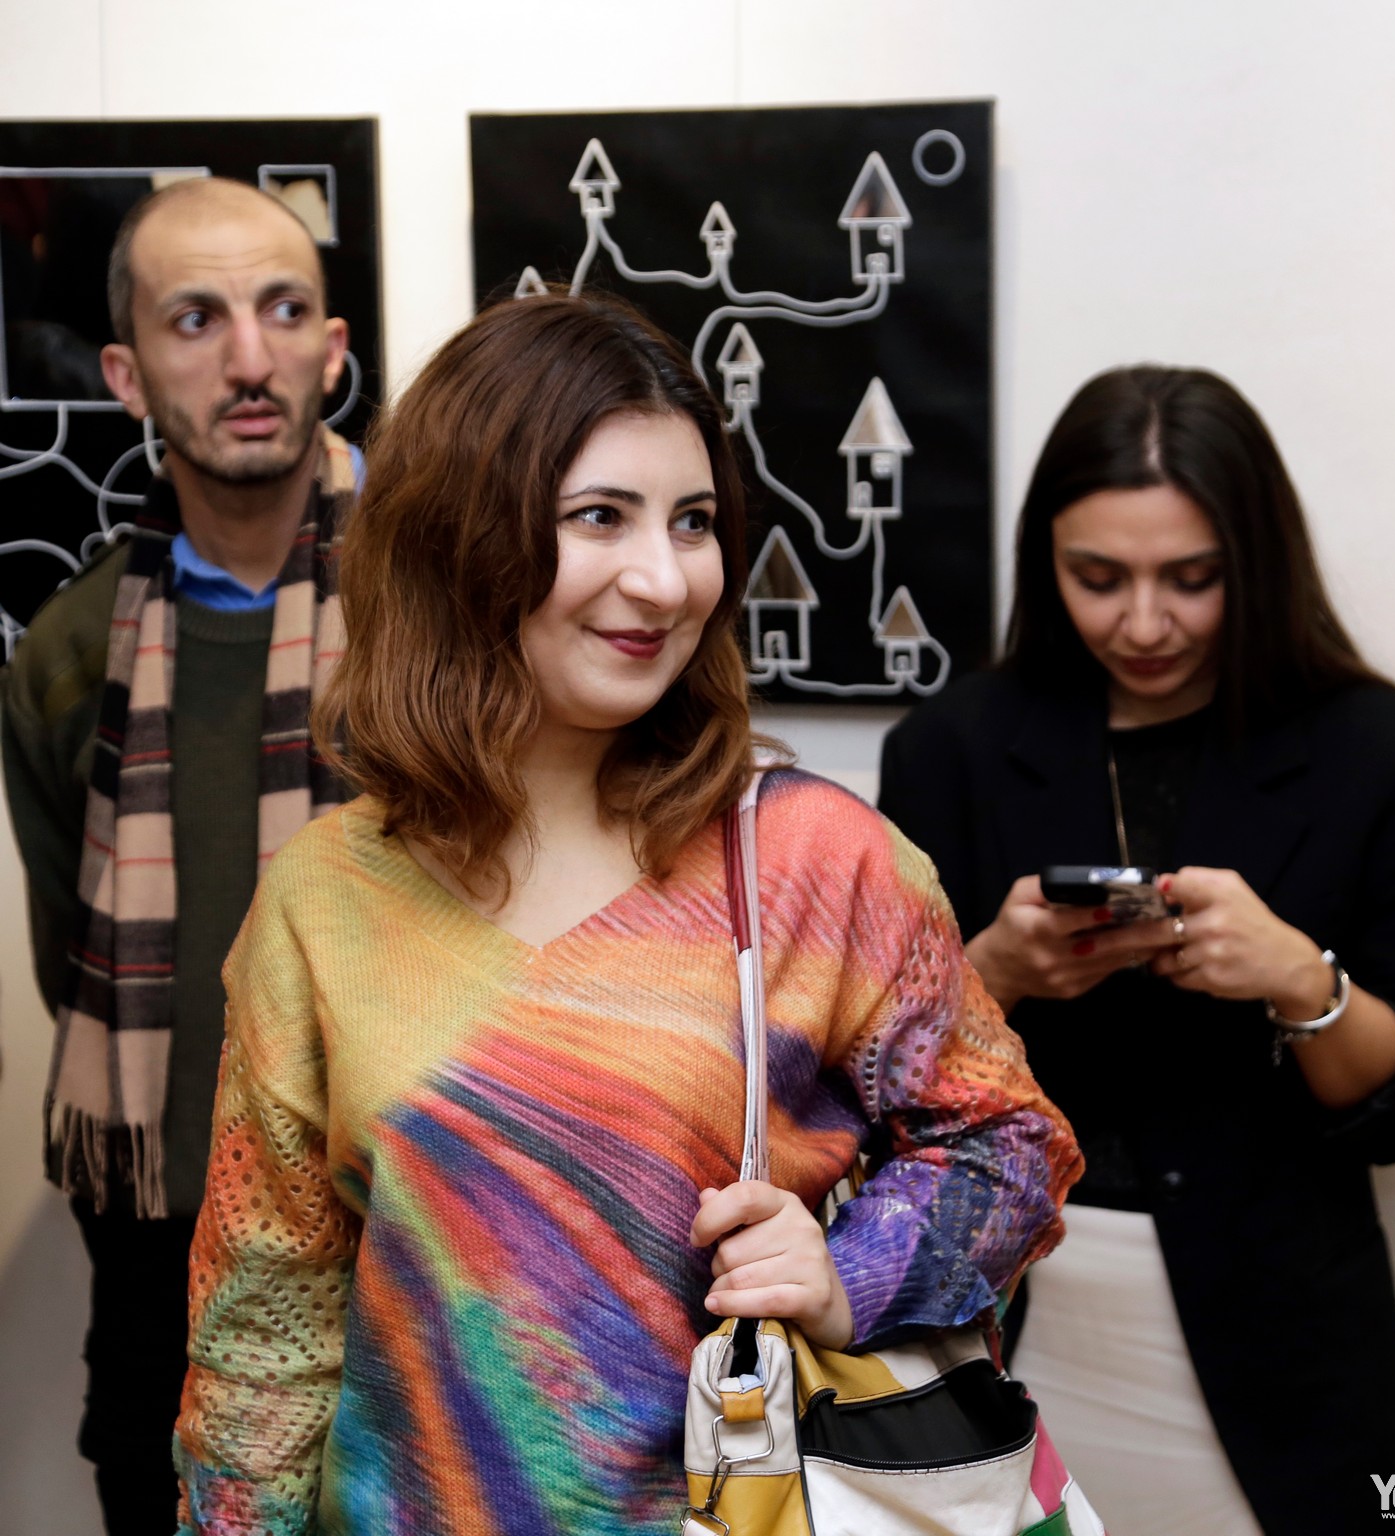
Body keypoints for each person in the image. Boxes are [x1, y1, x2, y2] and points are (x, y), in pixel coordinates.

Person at [170, 289, 1083, 1534]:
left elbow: (1009, 1144)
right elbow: (265, 1328)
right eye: (599, 516)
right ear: (458, 539)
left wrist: (848, 1272)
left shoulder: (809, 859)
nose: (663, 579)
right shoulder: (323, 896)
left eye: (693, 521)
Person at [878, 366, 1395, 1536]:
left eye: (1191, 579)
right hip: (1002, 1312)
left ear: (1254, 563)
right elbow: (867, 1083)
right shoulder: (950, 749)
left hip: (1280, 1327)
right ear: (1044, 561)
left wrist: (1297, 979)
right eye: (1097, 578)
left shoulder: (1383, 755)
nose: (1143, 623)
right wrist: (992, 976)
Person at [0, 175, 355, 1534]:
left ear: (332, 350)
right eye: (196, 320)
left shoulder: (441, 622)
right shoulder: (67, 657)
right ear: (126, 373)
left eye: (284, 312)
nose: (249, 360)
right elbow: (67, 966)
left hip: (419, 1244)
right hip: (162, 1264)